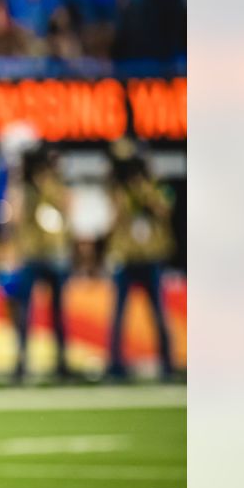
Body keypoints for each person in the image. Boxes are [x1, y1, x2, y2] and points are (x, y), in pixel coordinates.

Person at [106, 154, 175, 379]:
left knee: (158, 312)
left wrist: (144, 188)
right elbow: (116, 218)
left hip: (150, 257)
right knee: (118, 314)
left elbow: (164, 209)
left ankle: (167, 362)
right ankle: (116, 364)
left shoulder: (155, 187)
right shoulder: (118, 190)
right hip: (126, 258)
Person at [10, 146, 73, 381]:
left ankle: (62, 362)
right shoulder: (24, 189)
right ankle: (22, 362)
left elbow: (67, 209)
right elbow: (15, 216)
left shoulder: (57, 186)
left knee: (58, 312)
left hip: (55, 254)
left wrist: (48, 183)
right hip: (31, 254)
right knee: (25, 311)